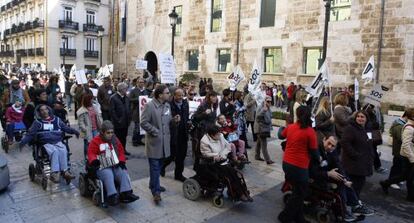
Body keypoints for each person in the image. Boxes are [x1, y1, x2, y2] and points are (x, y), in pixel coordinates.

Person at [278, 105, 319, 223]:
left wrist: (283, 126)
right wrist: (320, 159)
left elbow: (281, 135)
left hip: (287, 164)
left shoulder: (291, 127)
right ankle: (284, 217)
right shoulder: (310, 132)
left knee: (298, 192)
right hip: (299, 167)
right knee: (299, 194)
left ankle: (299, 218)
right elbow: (314, 152)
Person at [140, 84, 180, 204]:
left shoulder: (167, 105)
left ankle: (153, 183)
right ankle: (156, 192)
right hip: (154, 142)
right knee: (155, 168)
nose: (169, 94)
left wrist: (174, 121)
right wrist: (155, 131)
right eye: (167, 93)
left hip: (165, 143)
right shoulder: (149, 106)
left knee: (158, 167)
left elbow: (168, 122)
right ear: (160, 95)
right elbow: (143, 122)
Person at [19, 104, 79, 183]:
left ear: (48, 110)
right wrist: (23, 142)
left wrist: (75, 131)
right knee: (54, 151)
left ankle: (65, 171)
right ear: (39, 112)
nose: (44, 111)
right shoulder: (38, 122)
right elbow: (30, 134)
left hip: (57, 141)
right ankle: (54, 173)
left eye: (45, 109)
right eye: (42, 110)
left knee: (63, 150)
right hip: (45, 143)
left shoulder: (56, 120)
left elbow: (65, 128)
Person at [87, 120, 139, 206]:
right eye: (108, 133)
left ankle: (126, 193)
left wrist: (122, 160)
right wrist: (94, 160)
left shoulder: (115, 139)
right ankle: (112, 196)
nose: (111, 134)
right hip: (102, 165)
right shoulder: (95, 141)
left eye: (112, 132)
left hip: (114, 163)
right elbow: (91, 153)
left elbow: (121, 151)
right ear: (102, 132)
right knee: (108, 174)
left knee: (122, 172)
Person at [199, 125, 253, 202]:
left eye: (219, 133)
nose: (219, 135)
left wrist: (223, 154)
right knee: (229, 176)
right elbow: (206, 154)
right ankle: (240, 193)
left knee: (236, 173)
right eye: (217, 134)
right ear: (211, 135)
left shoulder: (220, 135)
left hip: (223, 160)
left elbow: (227, 146)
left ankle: (243, 192)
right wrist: (216, 155)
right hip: (213, 163)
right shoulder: (204, 141)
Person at [380, 108, 414, 202]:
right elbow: (405, 144)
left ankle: (386, 183)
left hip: (407, 154)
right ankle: (410, 196)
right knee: (408, 176)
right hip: (407, 156)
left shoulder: (410, 126)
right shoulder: (409, 128)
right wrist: (412, 159)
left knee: (406, 176)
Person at [341, 111, 374, 203]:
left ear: (366, 119)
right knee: (353, 184)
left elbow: (370, 143)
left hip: (364, 162)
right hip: (353, 163)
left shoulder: (367, 129)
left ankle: (355, 200)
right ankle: (352, 202)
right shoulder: (350, 128)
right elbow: (344, 142)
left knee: (360, 183)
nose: (360, 118)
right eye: (358, 116)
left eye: (362, 117)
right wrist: (355, 154)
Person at [161, 88, 189, 182]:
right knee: (171, 155)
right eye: (179, 95)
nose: (181, 97)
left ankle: (178, 174)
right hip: (173, 134)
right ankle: (162, 166)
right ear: (174, 95)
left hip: (183, 133)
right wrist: (173, 120)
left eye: (182, 95)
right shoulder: (168, 105)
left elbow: (187, 116)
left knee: (182, 155)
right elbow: (165, 120)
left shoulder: (185, 103)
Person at [380, 112, 408, 189]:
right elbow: (401, 138)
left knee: (400, 166)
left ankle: (395, 180)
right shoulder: (399, 125)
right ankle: (391, 181)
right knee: (396, 166)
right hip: (398, 149)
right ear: (406, 116)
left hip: (400, 149)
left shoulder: (401, 124)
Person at [77, 93, 103, 158]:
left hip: (95, 128)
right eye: (91, 99)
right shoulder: (81, 111)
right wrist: (85, 129)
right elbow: (81, 122)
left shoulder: (94, 107)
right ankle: (87, 156)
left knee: (95, 143)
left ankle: (94, 155)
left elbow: (98, 116)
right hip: (87, 130)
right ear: (87, 100)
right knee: (87, 143)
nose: (92, 100)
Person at [110, 82, 131, 156]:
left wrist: (129, 118)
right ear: (122, 89)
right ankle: (118, 152)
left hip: (126, 121)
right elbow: (112, 111)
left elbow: (128, 108)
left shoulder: (126, 97)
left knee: (124, 137)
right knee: (118, 138)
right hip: (118, 122)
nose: (127, 90)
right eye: (126, 89)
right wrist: (117, 120)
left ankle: (123, 149)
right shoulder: (113, 97)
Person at [129, 77, 150, 146]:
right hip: (136, 112)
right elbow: (130, 99)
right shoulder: (133, 90)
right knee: (137, 128)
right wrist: (138, 99)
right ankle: (134, 140)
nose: (141, 83)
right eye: (140, 82)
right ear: (137, 83)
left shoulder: (145, 91)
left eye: (142, 82)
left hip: (144, 112)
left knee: (143, 128)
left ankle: (139, 140)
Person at [254, 96, 274, 164]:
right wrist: (263, 110)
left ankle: (257, 156)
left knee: (259, 143)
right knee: (264, 144)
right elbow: (257, 117)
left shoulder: (268, 108)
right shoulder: (261, 107)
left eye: (270, 101)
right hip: (261, 129)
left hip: (264, 128)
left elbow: (269, 117)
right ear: (265, 101)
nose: (269, 103)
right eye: (268, 101)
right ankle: (268, 160)